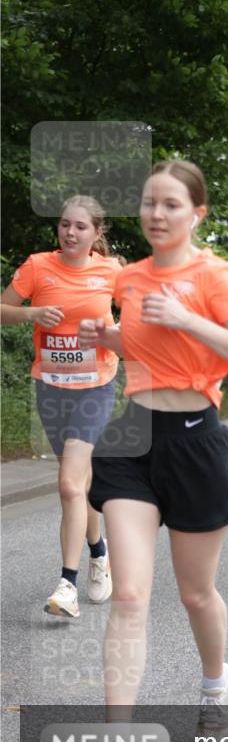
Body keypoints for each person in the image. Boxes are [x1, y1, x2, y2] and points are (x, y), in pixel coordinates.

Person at [80, 159, 228, 721]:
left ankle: (215, 686)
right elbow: (149, 349)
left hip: (195, 440)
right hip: (132, 437)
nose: (156, 214)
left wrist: (188, 318)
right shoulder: (131, 277)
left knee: (195, 595)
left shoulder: (217, 276)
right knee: (130, 595)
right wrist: (111, 335)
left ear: (197, 213)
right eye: (148, 203)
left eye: (170, 205)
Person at [0, 196, 121, 618]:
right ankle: (99, 551)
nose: (70, 233)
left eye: (80, 227)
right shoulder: (37, 266)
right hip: (51, 388)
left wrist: (116, 331)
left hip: (96, 388)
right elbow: (2, 310)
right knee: (78, 485)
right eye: (65, 225)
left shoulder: (111, 271)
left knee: (70, 485)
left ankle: (66, 586)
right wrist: (32, 312)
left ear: (96, 234)